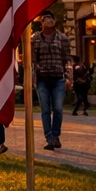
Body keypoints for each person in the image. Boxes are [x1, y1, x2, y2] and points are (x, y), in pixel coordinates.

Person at [31, 11, 72, 149]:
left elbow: (67, 59)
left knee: (58, 109)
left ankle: (55, 134)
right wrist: (33, 77)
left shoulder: (62, 38)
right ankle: (49, 136)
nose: (48, 21)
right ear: (41, 22)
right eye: (45, 19)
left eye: (51, 18)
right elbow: (33, 60)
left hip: (58, 79)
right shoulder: (35, 38)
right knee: (45, 110)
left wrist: (69, 78)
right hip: (42, 79)